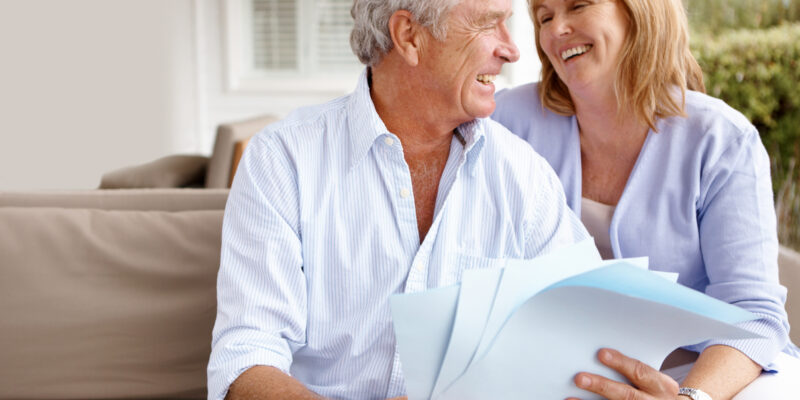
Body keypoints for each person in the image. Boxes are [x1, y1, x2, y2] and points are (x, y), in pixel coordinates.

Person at [206, 0, 599, 398]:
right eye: (487, 25)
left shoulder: (522, 174)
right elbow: (246, 359)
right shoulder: (284, 159)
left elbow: (588, 329)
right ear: (409, 36)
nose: (511, 49)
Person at [492, 0, 800, 399]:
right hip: (547, 375)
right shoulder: (506, 121)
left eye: (578, 6)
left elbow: (754, 317)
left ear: (639, 11)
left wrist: (690, 397)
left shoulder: (721, 140)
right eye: (544, 17)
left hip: (697, 374)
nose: (555, 30)